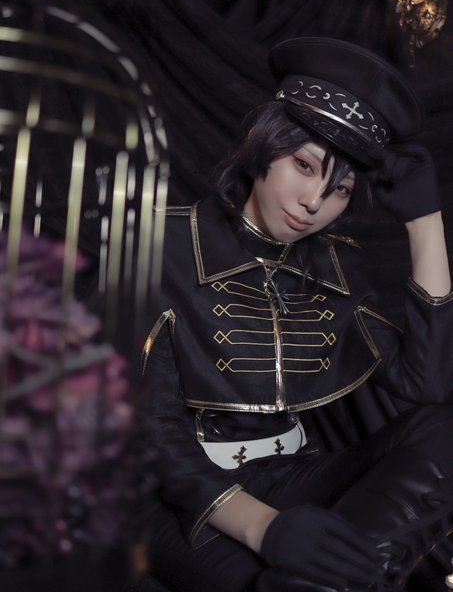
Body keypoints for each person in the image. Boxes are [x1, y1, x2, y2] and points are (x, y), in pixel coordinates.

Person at [140, 37, 453, 592]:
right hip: (183, 497)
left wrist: (425, 222)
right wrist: (263, 529)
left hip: (293, 474)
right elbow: (146, 430)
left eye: (340, 190)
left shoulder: (335, 263)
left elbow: (423, 384)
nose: (314, 202)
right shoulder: (157, 243)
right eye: (304, 165)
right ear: (262, 147)